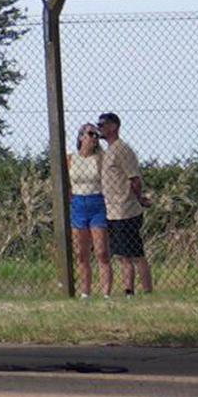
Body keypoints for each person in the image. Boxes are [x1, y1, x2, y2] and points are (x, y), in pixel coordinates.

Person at [96, 112, 150, 292]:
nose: (99, 128)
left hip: (125, 209)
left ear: (114, 126)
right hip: (112, 210)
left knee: (134, 254)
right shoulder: (107, 152)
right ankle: (130, 290)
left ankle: (143, 290)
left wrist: (139, 198)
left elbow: (134, 179)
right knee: (121, 255)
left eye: (103, 124)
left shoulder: (122, 150)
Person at [64, 124, 107, 292]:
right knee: (81, 253)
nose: (94, 138)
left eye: (97, 135)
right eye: (90, 134)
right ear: (81, 137)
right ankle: (85, 291)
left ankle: (106, 293)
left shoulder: (100, 159)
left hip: (97, 201)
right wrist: (71, 200)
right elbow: (67, 183)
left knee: (101, 251)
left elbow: (108, 181)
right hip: (78, 203)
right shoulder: (71, 159)